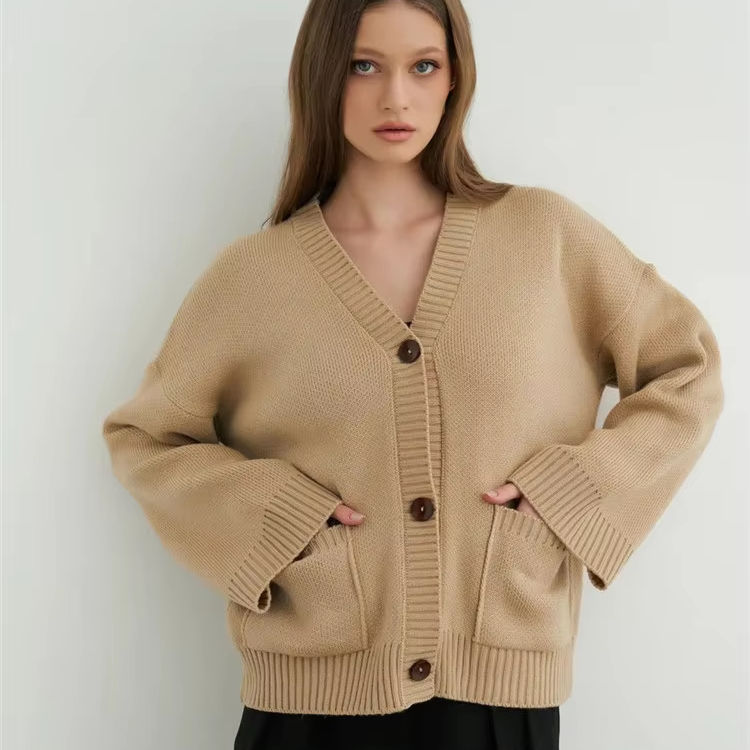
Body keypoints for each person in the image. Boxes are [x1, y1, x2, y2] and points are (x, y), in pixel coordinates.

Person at [101, 1, 724, 748]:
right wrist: (282, 521)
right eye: (363, 66)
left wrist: (569, 496)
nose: (395, 98)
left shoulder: (546, 238)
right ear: (322, 75)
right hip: (308, 708)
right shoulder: (253, 277)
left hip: (498, 700)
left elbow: (687, 368)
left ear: (454, 78)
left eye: (423, 66)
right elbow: (146, 438)